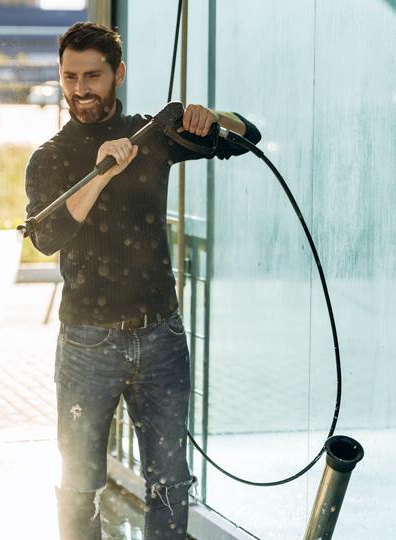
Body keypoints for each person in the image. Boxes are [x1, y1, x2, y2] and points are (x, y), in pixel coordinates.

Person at [24, 22, 262, 540]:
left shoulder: (151, 137)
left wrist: (207, 115)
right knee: (79, 482)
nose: (81, 89)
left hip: (161, 338)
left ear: (119, 74)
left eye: (93, 76)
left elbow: (248, 138)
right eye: (70, 77)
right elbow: (47, 237)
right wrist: (104, 171)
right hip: (87, 342)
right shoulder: (51, 156)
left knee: (171, 483)